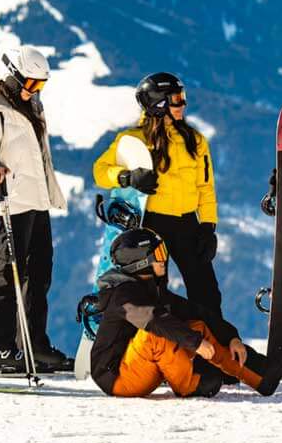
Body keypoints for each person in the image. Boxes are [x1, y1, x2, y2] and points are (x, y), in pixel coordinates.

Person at [0, 47, 72, 374]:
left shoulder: (32, 108)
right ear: (15, 77)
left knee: (39, 274)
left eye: (41, 85)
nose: (36, 91)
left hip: (36, 201)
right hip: (11, 202)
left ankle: (32, 345)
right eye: (32, 84)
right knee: (10, 272)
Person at [92, 73, 222, 316]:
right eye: (176, 99)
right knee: (156, 293)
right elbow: (100, 171)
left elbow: (205, 187)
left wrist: (208, 226)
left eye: (182, 98)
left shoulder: (195, 140)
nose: (182, 104)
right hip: (151, 226)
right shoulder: (132, 139)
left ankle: (215, 346)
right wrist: (126, 177)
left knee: (207, 292)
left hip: (188, 225)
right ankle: (162, 347)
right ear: (158, 103)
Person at [90, 227, 273, 398]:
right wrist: (195, 343)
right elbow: (155, 320)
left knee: (197, 326)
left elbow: (196, 312)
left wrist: (231, 337)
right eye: (159, 254)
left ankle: (261, 376)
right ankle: (190, 385)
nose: (164, 259)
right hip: (117, 377)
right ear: (141, 262)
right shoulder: (123, 296)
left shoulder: (152, 290)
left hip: (141, 365)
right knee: (157, 334)